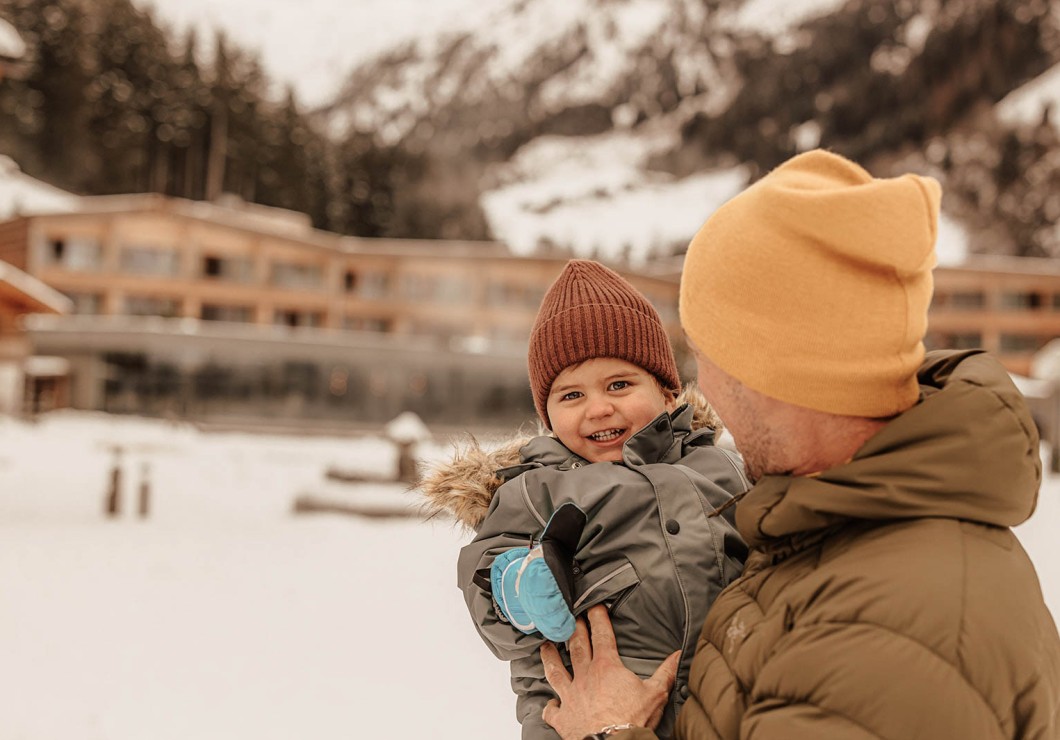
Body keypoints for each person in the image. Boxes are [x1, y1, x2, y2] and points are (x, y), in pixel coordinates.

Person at [539, 149, 1060, 739]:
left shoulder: (882, 640)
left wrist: (606, 732)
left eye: (708, 356)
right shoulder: (839, 540)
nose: (702, 384)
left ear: (775, 374)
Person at [420, 259, 748, 739]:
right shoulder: (536, 489)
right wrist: (520, 587)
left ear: (666, 390)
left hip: (725, 712)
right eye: (571, 395)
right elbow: (485, 571)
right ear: (548, 415)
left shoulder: (720, 468)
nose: (599, 408)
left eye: (619, 384)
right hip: (577, 717)